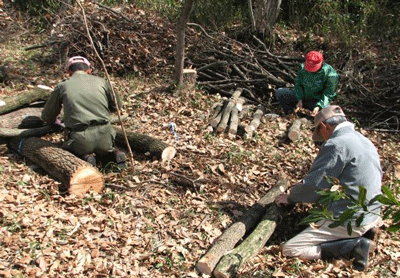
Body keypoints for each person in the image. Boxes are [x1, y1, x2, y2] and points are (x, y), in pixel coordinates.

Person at [274, 105, 382, 271]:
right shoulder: (362, 139)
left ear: (324, 126)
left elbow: (314, 187)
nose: (322, 138)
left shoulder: (337, 144)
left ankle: (355, 245)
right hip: (372, 212)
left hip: (352, 218)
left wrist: (290, 197)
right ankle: (360, 232)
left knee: (291, 248)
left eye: (320, 132)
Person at [41, 56, 126, 168]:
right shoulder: (103, 82)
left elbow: (47, 116)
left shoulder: (62, 86)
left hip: (79, 139)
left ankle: (85, 158)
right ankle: (113, 155)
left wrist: (55, 121)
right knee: (105, 149)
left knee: (73, 150)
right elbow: (117, 106)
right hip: (105, 135)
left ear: (68, 72)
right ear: (89, 70)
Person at [275, 51, 339, 116]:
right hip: (303, 98)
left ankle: (314, 118)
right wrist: (299, 99)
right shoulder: (302, 68)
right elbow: (298, 84)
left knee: (327, 111)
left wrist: (319, 106)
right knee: (280, 92)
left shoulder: (331, 75)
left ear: (321, 63)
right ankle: (291, 113)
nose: (310, 70)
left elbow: (328, 94)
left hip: (317, 102)